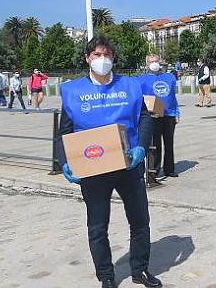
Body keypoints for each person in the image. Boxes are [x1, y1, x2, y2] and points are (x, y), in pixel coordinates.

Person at [54, 36, 162, 288]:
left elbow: (144, 119)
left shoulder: (131, 86)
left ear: (113, 58)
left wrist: (141, 148)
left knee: (139, 221)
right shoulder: (73, 92)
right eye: (96, 55)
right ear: (87, 58)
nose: (101, 60)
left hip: (128, 165)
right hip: (93, 171)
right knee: (97, 226)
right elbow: (64, 133)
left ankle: (140, 269)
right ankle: (106, 275)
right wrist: (65, 162)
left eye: (106, 55)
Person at [140, 54, 180, 184]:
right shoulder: (141, 79)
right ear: (146, 64)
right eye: (151, 61)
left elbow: (172, 96)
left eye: (156, 61)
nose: (154, 63)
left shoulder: (169, 77)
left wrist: (177, 112)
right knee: (154, 144)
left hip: (169, 114)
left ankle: (170, 169)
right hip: (153, 115)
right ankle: (154, 170)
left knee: (169, 143)